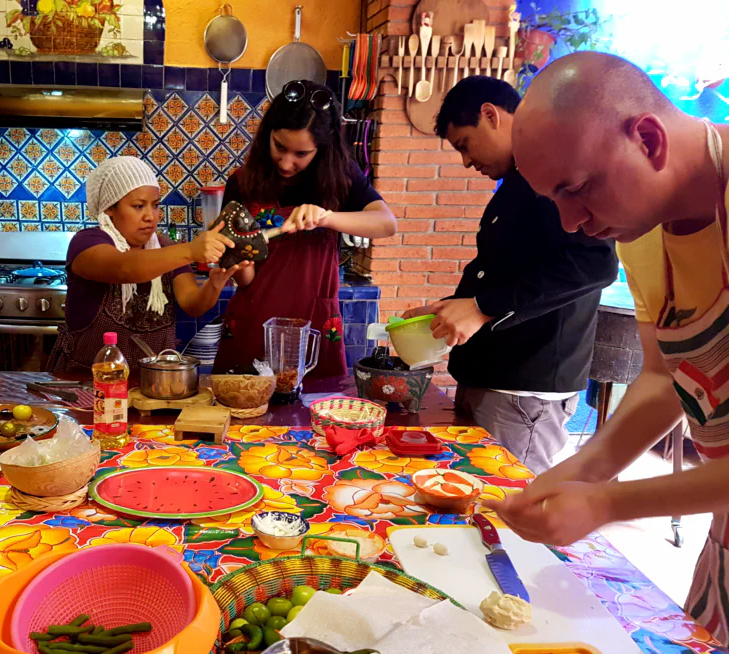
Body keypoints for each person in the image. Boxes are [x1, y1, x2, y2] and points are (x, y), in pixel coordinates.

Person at [490, 51, 729, 644]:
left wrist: (608, 504)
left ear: (648, 139)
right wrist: (579, 474)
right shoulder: (642, 232)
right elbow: (663, 378)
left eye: (575, 190)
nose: (570, 223)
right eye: (554, 201)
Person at [403, 77, 617, 474]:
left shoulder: (558, 171)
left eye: (465, 144)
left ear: (490, 115)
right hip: (494, 377)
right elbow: (501, 267)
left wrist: (482, 307)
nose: (466, 161)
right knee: (471, 494)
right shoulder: (519, 181)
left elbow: (595, 263)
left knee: (506, 501)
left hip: (525, 387)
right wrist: (452, 308)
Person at [212, 80, 397, 379]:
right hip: (255, 320)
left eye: (301, 154)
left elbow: (386, 223)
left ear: (322, 149)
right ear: (268, 134)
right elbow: (245, 278)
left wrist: (326, 217)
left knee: (316, 404)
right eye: (279, 147)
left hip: (314, 324)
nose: (286, 163)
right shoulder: (243, 182)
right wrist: (236, 260)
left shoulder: (340, 177)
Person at [47, 156, 244, 372]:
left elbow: (192, 304)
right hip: (87, 381)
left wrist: (215, 283)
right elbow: (125, 268)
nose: (150, 216)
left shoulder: (166, 248)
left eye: (155, 205)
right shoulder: (87, 243)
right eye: (138, 206)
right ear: (109, 207)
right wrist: (190, 250)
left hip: (152, 382)